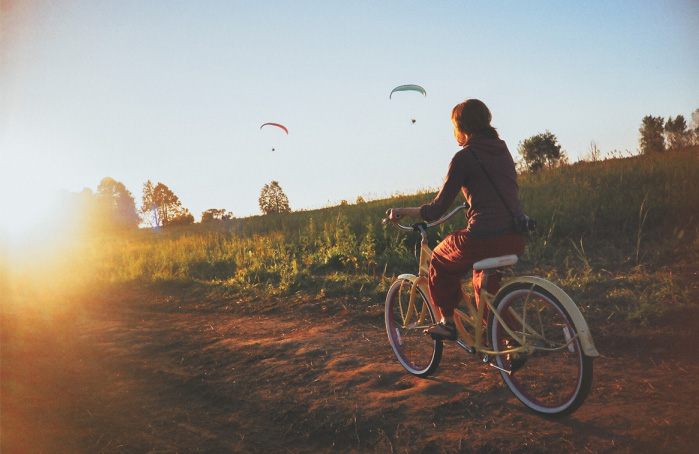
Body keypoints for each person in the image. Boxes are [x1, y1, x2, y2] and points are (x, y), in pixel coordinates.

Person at [387, 99, 526, 340]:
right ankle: (508, 337)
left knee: (440, 258)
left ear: (461, 127)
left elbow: (435, 209)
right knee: (484, 288)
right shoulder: (501, 149)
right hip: (515, 235)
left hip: (485, 238)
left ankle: (447, 322)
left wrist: (404, 210)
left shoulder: (464, 157)